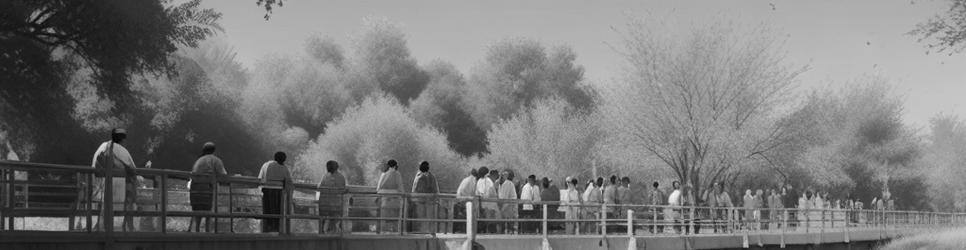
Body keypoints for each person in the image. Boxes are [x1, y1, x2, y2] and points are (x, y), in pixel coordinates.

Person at [91, 128, 139, 232]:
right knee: (132, 185)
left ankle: (100, 226)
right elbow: (133, 169)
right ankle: (128, 226)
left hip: (97, 189)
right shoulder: (121, 150)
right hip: (115, 191)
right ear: (123, 140)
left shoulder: (102, 146)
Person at [189, 142, 227, 233]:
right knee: (208, 212)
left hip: (194, 188)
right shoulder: (215, 160)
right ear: (214, 150)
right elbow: (223, 175)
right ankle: (208, 232)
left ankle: (196, 232)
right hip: (207, 188)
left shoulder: (198, 160)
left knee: (197, 212)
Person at [258, 152, 293, 233]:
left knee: (267, 210)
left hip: (265, 190)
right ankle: (275, 229)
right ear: (282, 160)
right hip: (277, 191)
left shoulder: (266, 165)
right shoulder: (283, 168)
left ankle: (266, 229)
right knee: (276, 211)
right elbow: (288, 181)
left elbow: (260, 178)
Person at [376, 159, 405, 233]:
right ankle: (396, 234)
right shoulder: (397, 174)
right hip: (395, 202)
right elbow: (400, 189)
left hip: (384, 202)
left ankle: (383, 233)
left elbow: (378, 189)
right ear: (395, 166)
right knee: (395, 221)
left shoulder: (383, 174)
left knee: (384, 220)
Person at [318, 160, 347, 234]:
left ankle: (322, 231)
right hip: (336, 204)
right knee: (335, 217)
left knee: (323, 216)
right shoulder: (341, 177)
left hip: (325, 204)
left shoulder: (325, 176)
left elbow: (320, 187)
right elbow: (343, 189)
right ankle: (336, 231)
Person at [411, 161, 440, 233]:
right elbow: (415, 190)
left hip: (429, 201)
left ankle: (430, 232)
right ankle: (421, 232)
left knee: (429, 218)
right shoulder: (419, 176)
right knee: (421, 218)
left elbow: (435, 189)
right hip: (420, 201)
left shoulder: (431, 176)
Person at [453, 168, 478, 233]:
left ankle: (459, 230)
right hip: (465, 201)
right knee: (468, 217)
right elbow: (473, 193)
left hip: (459, 200)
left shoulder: (466, 179)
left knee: (461, 217)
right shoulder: (473, 180)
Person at [475, 167, 499, 233]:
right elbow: (491, 192)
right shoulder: (488, 181)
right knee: (491, 222)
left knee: (484, 221)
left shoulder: (479, 181)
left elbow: (477, 193)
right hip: (490, 205)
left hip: (481, 204)